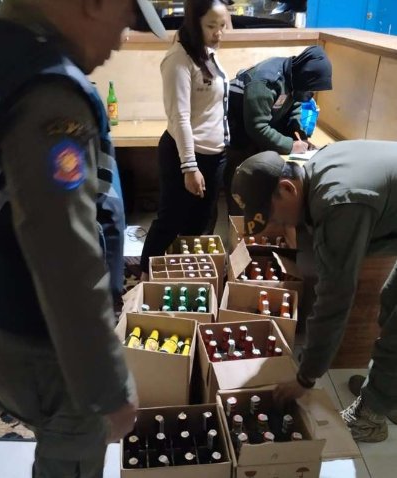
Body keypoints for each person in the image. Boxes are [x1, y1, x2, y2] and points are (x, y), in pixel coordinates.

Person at [0, 1, 166, 477]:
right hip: (49, 343)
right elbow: (65, 258)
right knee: (70, 460)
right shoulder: (47, 95)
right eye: (126, 20)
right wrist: (108, 385)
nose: (122, 40)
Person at [231, 141, 397, 443]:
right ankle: (387, 394)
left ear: (287, 189)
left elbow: (335, 298)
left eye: (275, 217)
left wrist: (305, 377)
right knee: (390, 302)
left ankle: (371, 417)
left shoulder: (338, 203)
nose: (279, 224)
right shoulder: (317, 166)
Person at [140, 0, 230, 280]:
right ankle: (143, 278)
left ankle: (183, 276)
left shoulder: (207, 54)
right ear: (194, 23)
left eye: (222, 25)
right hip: (187, 155)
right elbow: (180, 117)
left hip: (215, 154)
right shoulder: (178, 59)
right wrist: (189, 166)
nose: (219, 33)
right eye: (211, 26)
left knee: (200, 222)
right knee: (170, 221)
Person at [225, 45, 332, 216]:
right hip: (238, 131)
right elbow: (257, 126)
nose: (311, 94)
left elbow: (294, 106)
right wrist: (290, 145)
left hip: (259, 129)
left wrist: (299, 135)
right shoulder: (266, 81)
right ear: (304, 76)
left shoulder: (295, 78)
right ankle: (238, 222)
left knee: (263, 184)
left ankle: (260, 217)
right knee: (241, 182)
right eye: (311, 89)